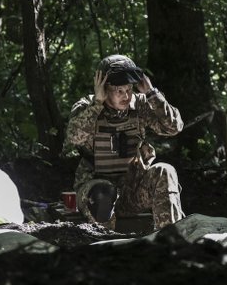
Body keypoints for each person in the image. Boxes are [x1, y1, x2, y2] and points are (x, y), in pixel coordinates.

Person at [65, 54, 185, 229]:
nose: (126, 96)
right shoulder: (86, 106)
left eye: (129, 89)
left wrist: (152, 94)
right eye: (119, 91)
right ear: (104, 89)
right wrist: (97, 104)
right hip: (95, 191)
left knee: (165, 171)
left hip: (132, 191)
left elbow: (174, 127)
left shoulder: (141, 104)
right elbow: (74, 137)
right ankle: (107, 244)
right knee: (104, 192)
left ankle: (170, 240)